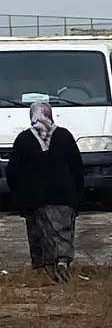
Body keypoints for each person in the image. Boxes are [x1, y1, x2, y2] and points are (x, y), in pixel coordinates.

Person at [4, 102, 84, 283]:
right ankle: (62, 262)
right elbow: (77, 168)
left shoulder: (23, 139)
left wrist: (18, 197)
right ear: (51, 114)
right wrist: (78, 196)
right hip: (64, 196)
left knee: (40, 236)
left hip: (35, 198)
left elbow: (13, 172)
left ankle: (44, 271)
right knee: (62, 233)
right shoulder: (64, 136)